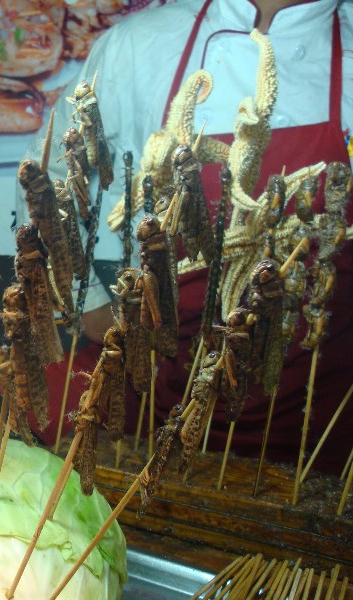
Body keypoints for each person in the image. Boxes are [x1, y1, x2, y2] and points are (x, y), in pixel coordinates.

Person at [22, 0, 353, 473]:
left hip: (322, 409)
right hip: (157, 392)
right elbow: (44, 177)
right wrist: (87, 302)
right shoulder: (140, 44)